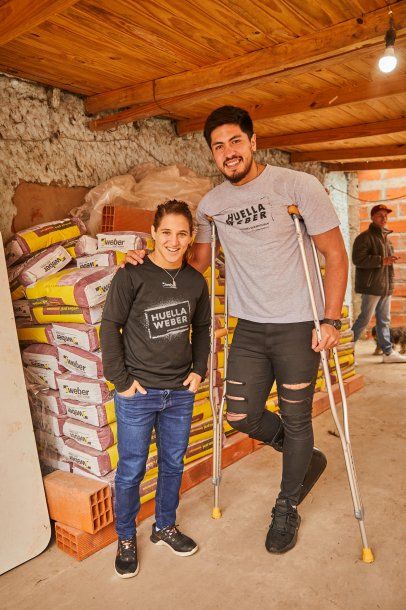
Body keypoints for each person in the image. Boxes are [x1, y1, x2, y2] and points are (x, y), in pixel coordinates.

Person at [125, 106, 348, 555]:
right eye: (218, 146)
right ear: (213, 153)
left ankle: (287, 504)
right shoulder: (212, 206)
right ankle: (303, 456)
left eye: (235, 141)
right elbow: (196, 263)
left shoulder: (297, 186)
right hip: (249, 326)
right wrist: (148, 260)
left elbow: (335, 254)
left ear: (252, 142)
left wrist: (330, 319)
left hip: (298, 325)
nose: (228, 152)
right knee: (240, 415)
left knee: (298, 417)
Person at [101, 200, 210, 578]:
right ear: (152, 233)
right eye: (166, 232)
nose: (173, 241)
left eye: (181, 233)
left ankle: (164, 526)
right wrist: (121, 381)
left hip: (179, 393)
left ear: (191, 237)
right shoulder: (132, 274)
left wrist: (199, 370)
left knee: (172, 464)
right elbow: (109, 326)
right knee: (131, 469)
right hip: (139, 393)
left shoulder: (196, 281)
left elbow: (203, 328)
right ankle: (126, 537)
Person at [352, 204, 406, 363]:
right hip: (371, 287)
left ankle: (388, 353)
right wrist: (382, 260)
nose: (384, 218)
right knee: (364, 319)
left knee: (384, 321)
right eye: (380, 215)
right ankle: (346, 349)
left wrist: (389, 268)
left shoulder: (386, 239)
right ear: (372, 217)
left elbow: (387, 264)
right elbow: (358, 260)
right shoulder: (364, 238)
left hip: (385, 286)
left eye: (386, 215)